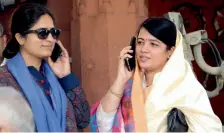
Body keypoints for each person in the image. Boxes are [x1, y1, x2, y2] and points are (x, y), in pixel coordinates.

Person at [90, 18, 223, 132]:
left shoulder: (184, 88)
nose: (143, 49)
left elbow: (210, 129)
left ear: (171, 51)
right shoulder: (130, 87)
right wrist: (120, 79)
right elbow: (102, 124)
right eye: (140, 42)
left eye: (153, 44)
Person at [0, 3, 90, 132]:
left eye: (54, 33)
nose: (50, 39)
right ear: (20, 38)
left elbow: (83, 119)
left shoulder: (56, 78)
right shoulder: (4, 80)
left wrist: (66, 77)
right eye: (42, 33)